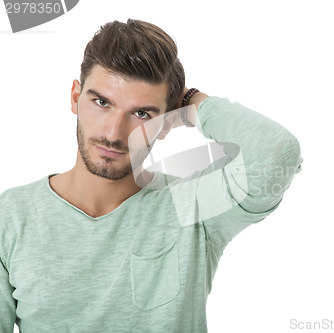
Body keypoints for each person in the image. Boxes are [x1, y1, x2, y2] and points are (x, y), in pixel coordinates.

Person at [0, 19, 303, 332]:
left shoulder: (192, 207)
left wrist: (190, 100)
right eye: (102, 102)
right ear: (75, 97)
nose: (113, 134)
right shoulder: (10, 216)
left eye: (141, 113)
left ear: (167, 123)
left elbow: (276, 152)